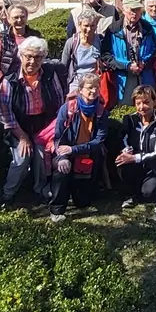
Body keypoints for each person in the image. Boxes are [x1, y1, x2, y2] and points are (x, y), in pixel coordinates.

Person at [0, 36, 67, 205]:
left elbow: (60, 104)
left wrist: (53, 132)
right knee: (22, 157)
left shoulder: (51, 75)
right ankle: (8, 193)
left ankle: (40, 190)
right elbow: (5, 114)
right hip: (19, 126)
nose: (32, 61)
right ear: (20, 56)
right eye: (28, 56)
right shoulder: (9, 81)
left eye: (38, 57)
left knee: (42, 154)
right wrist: (22, 137)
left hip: (44, 125)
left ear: (43, 58)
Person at [47, 73, 108, 222]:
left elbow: (98, 141)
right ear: (80, 89)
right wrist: (62, 157)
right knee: (62, 170)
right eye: (89, 87)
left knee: (82, 202)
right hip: (66, 153)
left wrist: (74, 150)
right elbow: (58, 137)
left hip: (86, 155)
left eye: (96, 87)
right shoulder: (67, 108)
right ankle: (56, 210)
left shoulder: (101, 112)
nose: (93, 91)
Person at [101, 0, 156, 105]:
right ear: (124, 9)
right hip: (122, 78)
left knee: (146, 106)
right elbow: (106, 55)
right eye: (132, 10)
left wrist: (144, 63)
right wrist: (126, 65)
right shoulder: (113, 29)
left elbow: (155, 50)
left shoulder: (147, 28)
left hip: (144, 76)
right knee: (125, 110)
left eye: (137, 10)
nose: (135, 13)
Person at [115, 85, 156, 209]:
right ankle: (129, 195)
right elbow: (122, 139)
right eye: (138, 103)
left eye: (146, 102)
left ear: (154, 102)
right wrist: (125, 149)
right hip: (133, 165)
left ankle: (144, 192)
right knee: (122, 161)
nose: (142, 107)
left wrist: (135, 158)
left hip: (153, 167)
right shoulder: (130, 119)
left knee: (148, 193)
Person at [0, 5, 42, 85]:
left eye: (22, 17)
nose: (19, 20)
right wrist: (1, 81)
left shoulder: (35, 36)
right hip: (8, 82)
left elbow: (42, 59)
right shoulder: (2, 37)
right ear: (9, 19)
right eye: (15, 17)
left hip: (31, 83)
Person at [61, 9, 103, 93]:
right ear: (79, 25)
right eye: (86, 25)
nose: (89, 29)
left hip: (95, 82)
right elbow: (63, 66)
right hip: (77, 83)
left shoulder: (100, 40)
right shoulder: (72, 42)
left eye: (92, 26)